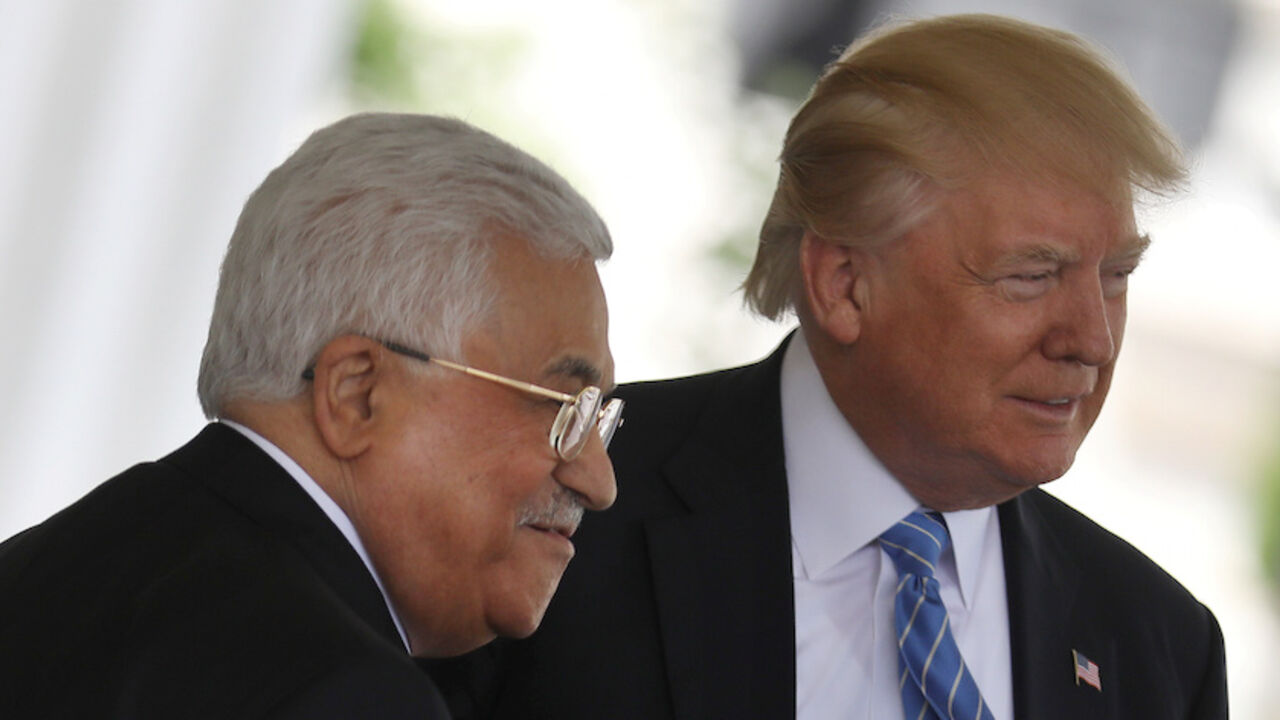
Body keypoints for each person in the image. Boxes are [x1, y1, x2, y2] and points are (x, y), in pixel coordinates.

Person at [437, 14, 1227, 720]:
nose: (1091, 339)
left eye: (1116, 275)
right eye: (1031, 275)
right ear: (845, 285)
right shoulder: (559, 506)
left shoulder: (1158, 648)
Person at [0, 112, 622, 719]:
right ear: (356, 395)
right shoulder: (342, 692)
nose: (600, 482)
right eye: (564, 406)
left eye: (600, 417)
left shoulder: (37, 571)